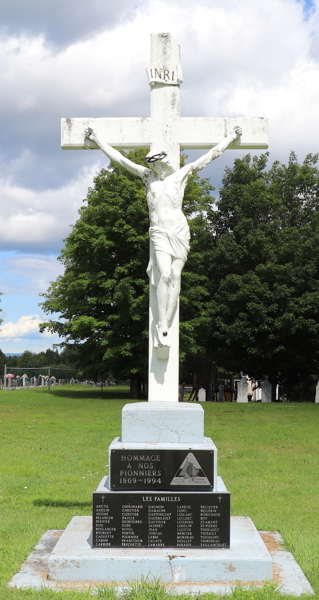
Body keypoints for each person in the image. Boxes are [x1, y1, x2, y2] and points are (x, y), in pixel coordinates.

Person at [85, 126, 242, 346]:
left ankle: (167, 322)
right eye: (152, 164)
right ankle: (161, 325)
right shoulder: (147, 177)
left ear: (164, 162)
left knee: (176, 276)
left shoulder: (180, 176)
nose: (155, 167)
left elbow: (209, 156)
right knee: (164, 275)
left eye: (157, 163)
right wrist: (98, 141)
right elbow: (120, 160)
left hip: (179, 231)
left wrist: (230, 138)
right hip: (159, 233)